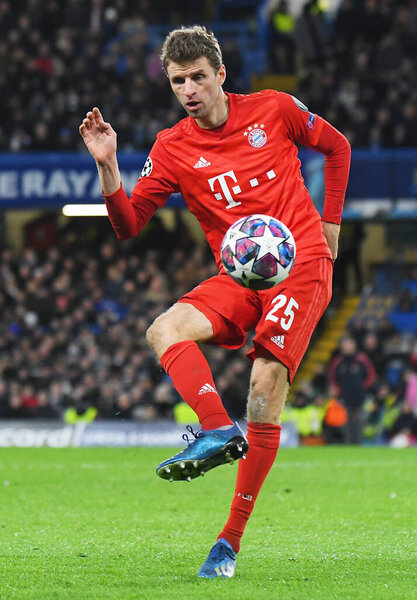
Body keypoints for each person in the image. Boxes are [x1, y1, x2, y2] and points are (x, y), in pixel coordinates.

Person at [79, 25, 351, 579]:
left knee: (263, 391)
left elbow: (337, 147)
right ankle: (217, 430)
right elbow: (129, 226)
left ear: (221, 74)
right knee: (163, 330)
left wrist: (330, 226)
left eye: (198, 76)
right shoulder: (172, 147)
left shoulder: (274, 109)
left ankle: (227, 542)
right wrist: (108, 167)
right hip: (240, 276)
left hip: (300, 265)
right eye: (178, 81)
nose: (189, 89)